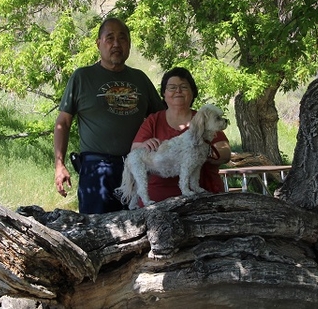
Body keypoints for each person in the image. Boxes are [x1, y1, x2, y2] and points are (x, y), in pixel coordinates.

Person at [53, 17, 165, 214]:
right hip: (97, 169)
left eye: (122, 39)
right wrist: (59, 164)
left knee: (140, 226)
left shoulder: (139, 79)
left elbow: (163, 118)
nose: (116, 44)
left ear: (129, 44)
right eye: (109, 38)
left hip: (136, 166)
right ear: (98, 43)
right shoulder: (82, 77)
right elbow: (63, 122)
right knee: (96, 229)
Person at [130, 67, 231, 206]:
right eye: (172, 87)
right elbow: (134, 150)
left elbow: (224, 152)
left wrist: (205, 153)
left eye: (183, 87)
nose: (178, 91)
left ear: (192, 93)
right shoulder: (153, 120)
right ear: (164, 94)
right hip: (156, 201)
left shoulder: (205, 119)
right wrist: (144, 145)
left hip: (201, 198)